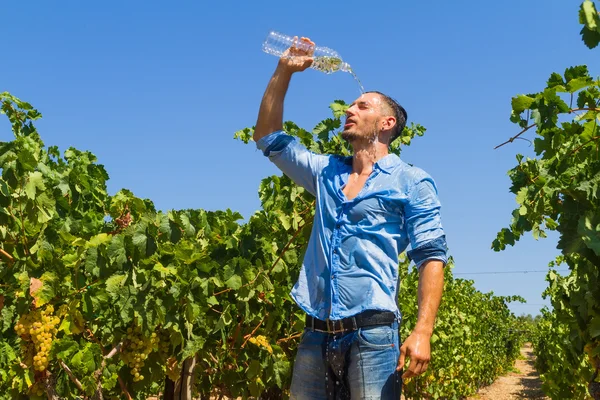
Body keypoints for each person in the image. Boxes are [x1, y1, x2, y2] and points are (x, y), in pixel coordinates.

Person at [253, 37, 447, 400]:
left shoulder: (412, 181)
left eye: (362, 105)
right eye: (351, 105)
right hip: (315, 333)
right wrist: (284, 71)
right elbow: (268, 137)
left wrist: (423, 331)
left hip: (373, 333)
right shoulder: (326, 172)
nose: (349, 109)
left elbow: (431, 257)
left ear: (387, 122)